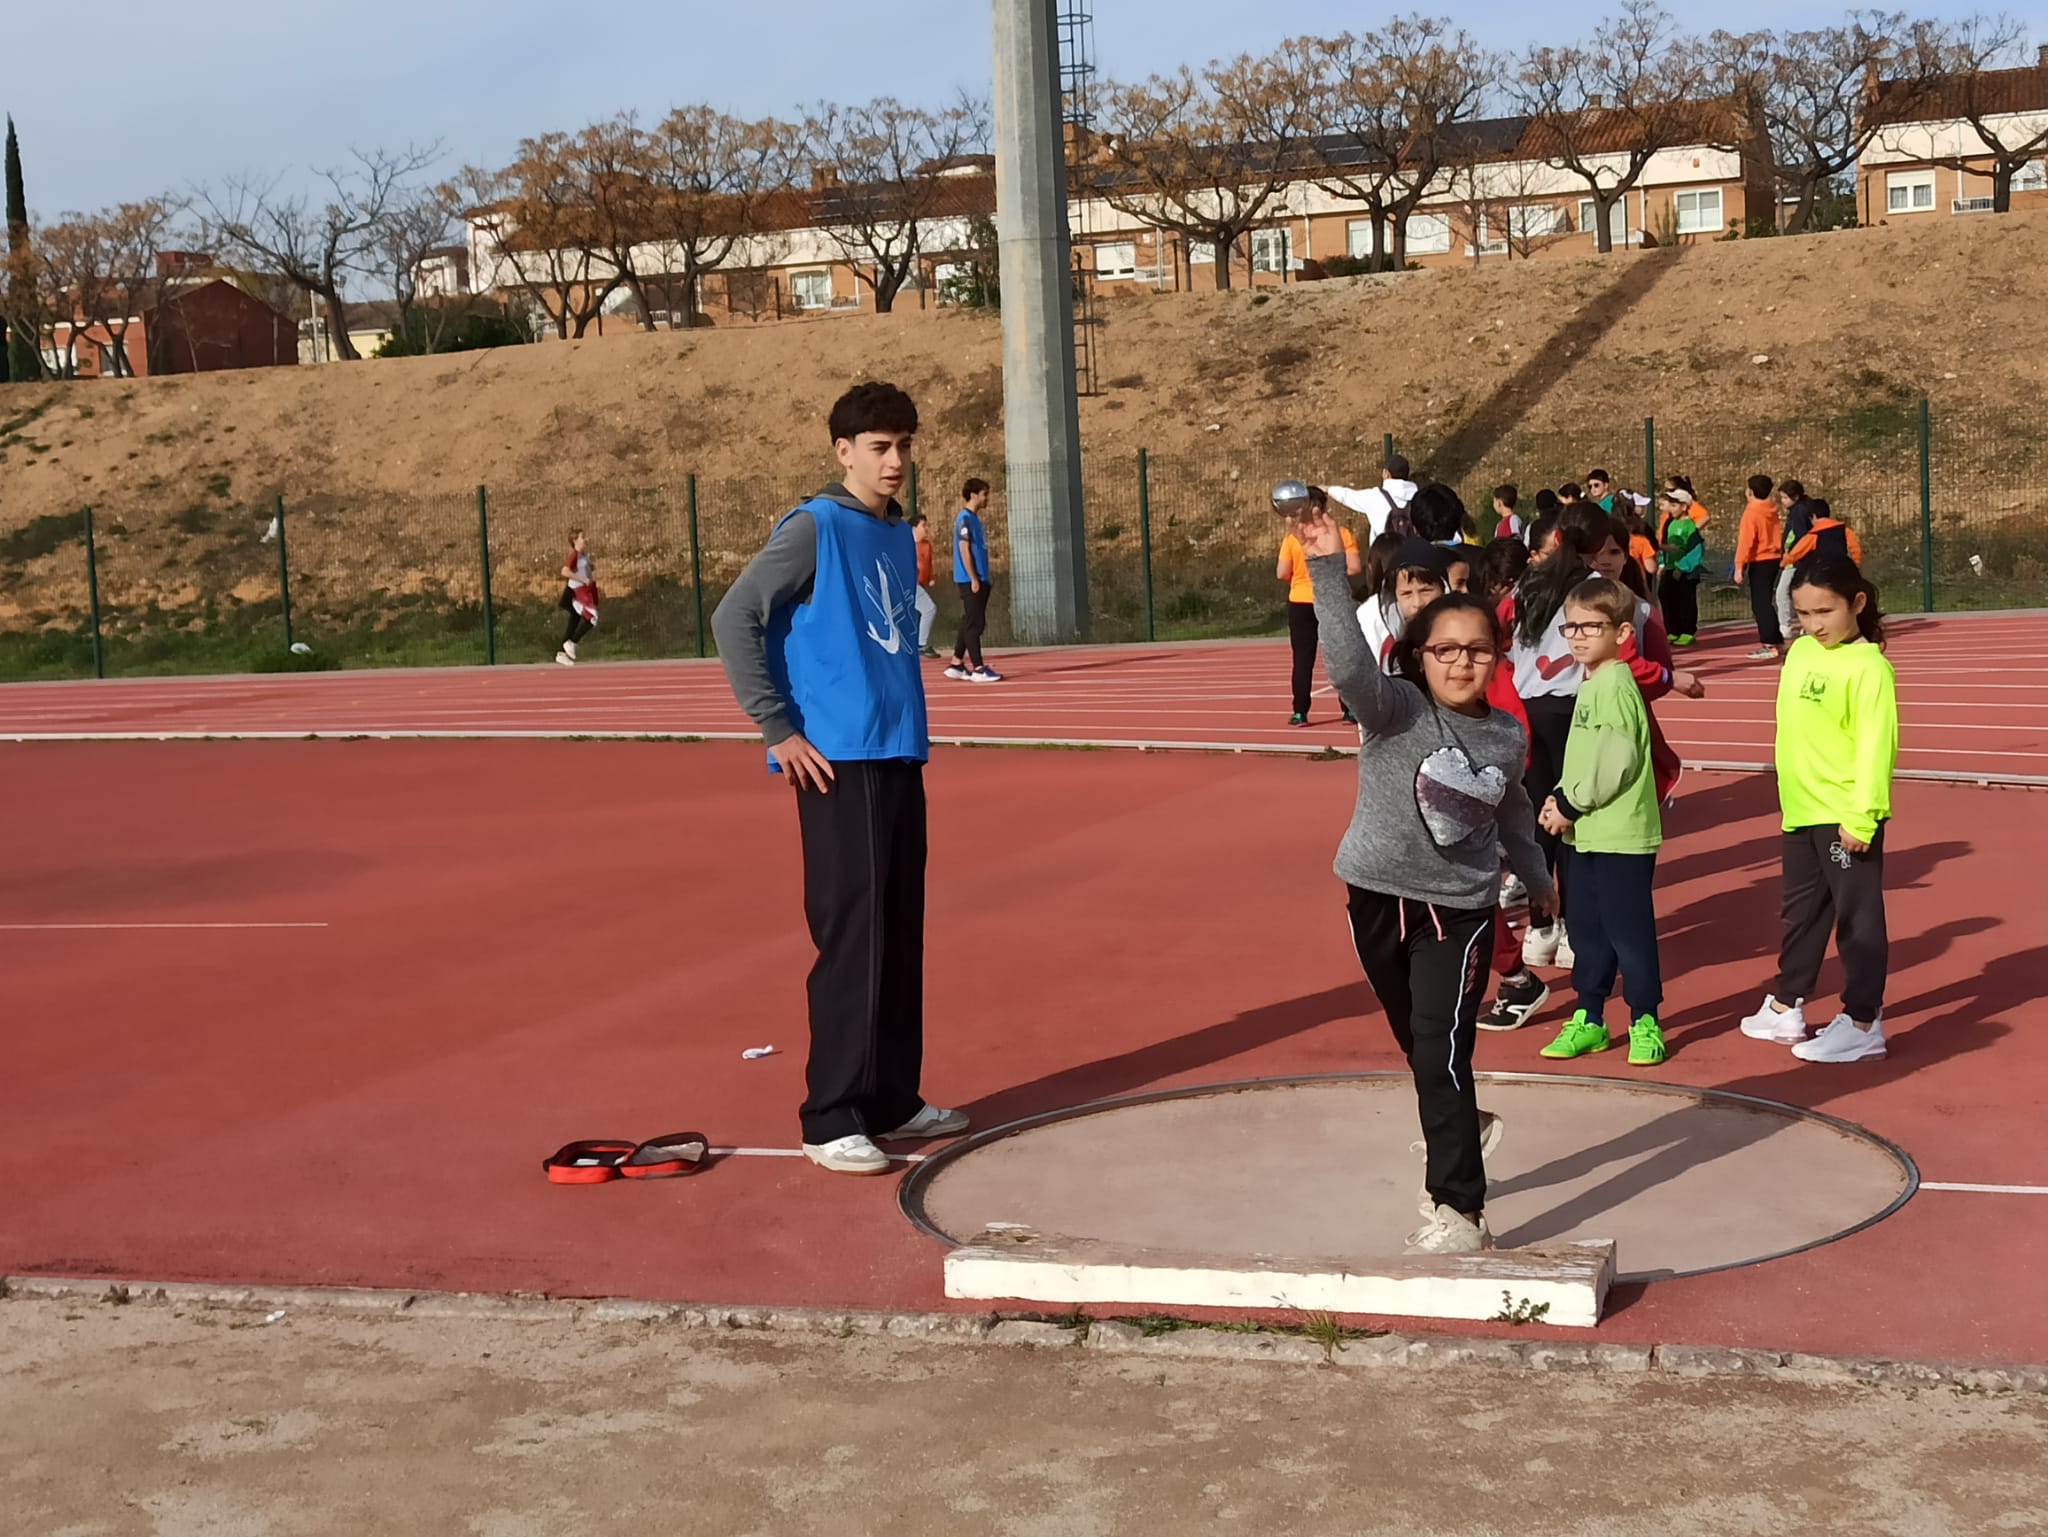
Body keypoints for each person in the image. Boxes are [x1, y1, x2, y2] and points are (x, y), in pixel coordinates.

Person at [710, 381, 968, 1175]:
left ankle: (891, 1097)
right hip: (838, 758)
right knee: (854, 935)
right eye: (880, 447)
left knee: (898, 930)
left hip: (898, 751)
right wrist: (778, 728)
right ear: (843, 451)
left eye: (904, 445)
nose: (896, 461)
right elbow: (734, 616)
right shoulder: (814, 526)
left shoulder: (892, 533)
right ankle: (830, 1115)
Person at [1292, 500, 1555, 1254]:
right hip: (1376, 898)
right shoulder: (1394, 711)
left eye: (1478, 650)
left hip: (1458, 912)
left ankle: (1460, 1208)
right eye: (1446, 650)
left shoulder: (1504, 734)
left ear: (1497, 656)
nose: (1462, 662)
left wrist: (1537, 878)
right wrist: (1326, 566)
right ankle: (1465, 1124)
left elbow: (1514, 811)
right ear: (1418, 655)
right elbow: (1347, 665)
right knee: (1419, 1044)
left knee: (1442, 1050)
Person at [1739, 556, 1898, 1063]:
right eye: (1804, 614)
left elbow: (1876, 745)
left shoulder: (1869, 667)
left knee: (1857, 920)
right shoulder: (1802, 652)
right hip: (1800, 808)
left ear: (1857, 603)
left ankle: (1863, 1021)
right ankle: (1786, 1004)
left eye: (1825, 612)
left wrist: (1863, 817)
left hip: (1845, 813)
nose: (1814, 624)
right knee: (1801, 914)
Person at [1535, 575, 1668, 1067]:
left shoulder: (1615, 685)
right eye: (1570, 627)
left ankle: (1645, 1020)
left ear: (1622, 633)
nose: (1577, 637)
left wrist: (1570, 805)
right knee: (1587, 932)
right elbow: (1583, 758)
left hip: (1620, 837)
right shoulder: (1591, 683)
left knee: (1627, 933)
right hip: (1585, 834)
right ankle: (1589, 1017)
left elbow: (1616, 761)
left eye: (1591, 627)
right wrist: (1558, 796)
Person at [1276, 483, 1361, 725]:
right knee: (1341, 654)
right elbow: (1354, 567)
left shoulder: (1294, 538)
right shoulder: (1341, 534)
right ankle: (1349, 709)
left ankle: (1300, 711)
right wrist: (1331, 574)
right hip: (1331, 599)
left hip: (1301, 601)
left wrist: (1301, 577)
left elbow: (1281, 572)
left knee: (1303, 660)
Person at [1358, 537, 1450, 673]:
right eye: (1406, 594)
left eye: (1425, 591)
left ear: (1444, 589)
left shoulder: (1463, 638)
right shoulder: (1393, 654)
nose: (1417, 603)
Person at [947, 478, 1002, 683]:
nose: (987, 498)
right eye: (984, 494)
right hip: (971, 579)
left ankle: (956, 662)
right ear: (973, 495)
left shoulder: (974, 518)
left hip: (980, 577)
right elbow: (964, 549)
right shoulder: (964, 519)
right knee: (974, 624)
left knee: (969, 620)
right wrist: (973, 578)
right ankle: (978, 668)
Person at [1734, 473, 1784, 661]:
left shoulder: (1752, 512)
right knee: (1765, 601)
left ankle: (1770, 643)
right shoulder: (1771, 509)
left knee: (1760, 603)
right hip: (1774, 557)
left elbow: (1746, 541)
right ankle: (1776, 641)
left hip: (1760, 559)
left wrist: (1739, 566)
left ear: (1750, 491)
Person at [1327, 454, 1420, 539]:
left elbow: (1347, 495)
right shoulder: (1419, 497)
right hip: (1415, 550)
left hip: (1383, 551)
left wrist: (1328, 489)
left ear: (1386, 473)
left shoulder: (1375, 496)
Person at [1657, 487, 1706, 646]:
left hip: (1686, 572)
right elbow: (1665, 545)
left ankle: (1687, 631)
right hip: (1670, 568)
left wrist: (1682, 567)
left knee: (1686, 600)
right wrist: (1663, 563)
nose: (1671, 509)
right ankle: (1673, 630)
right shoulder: (1669, 523)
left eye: (1674, 505)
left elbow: (1695, 550)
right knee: (1667, 597)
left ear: (1684, 507)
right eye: (1670, 504)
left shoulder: (1690, 526)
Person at [1772, 479, 1814, 642]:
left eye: (1785, 498)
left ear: (1795, 497)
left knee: (1783, 592)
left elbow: (1798, 536)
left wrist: (1790, 553)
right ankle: (1803, 624)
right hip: (1798, 558)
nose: (1782, 501)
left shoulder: (1799, 512)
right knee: (1800, 592)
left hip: (1796, 559)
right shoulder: (1800, 510)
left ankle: (1785, 626)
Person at [557, 529, 598, 666]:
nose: (586, 539)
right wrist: (582, 579)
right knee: (592, 618)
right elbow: (565, 571)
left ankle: (561, 653)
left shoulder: (583, 555)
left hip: (582, 593)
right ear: (575, 541)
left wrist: (590, 567)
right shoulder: (574, 554)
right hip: (574, 593)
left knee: (574, 621)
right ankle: (571, 642)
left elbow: (583, 568)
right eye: (582, 537)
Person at [1786, 497, 1864, 570]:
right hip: (1844, 571)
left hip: (1822, 573)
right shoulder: (1845, 531)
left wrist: (1783, 563)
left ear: (1814, 516)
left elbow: (1795, 554)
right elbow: (1855, 551)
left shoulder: (1813, 535)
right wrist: (1854, 567)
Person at [909, 512, 940, 658]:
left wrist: (930, 578)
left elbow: (928, 565)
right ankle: (921, 644)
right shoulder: (905, 543)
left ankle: (919, 644)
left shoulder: (926, 546)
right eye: (923, 526)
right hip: (908, 584)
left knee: (924, 610)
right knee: (929, 609)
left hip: (918, 585)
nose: (926, 529)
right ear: (914, 528)